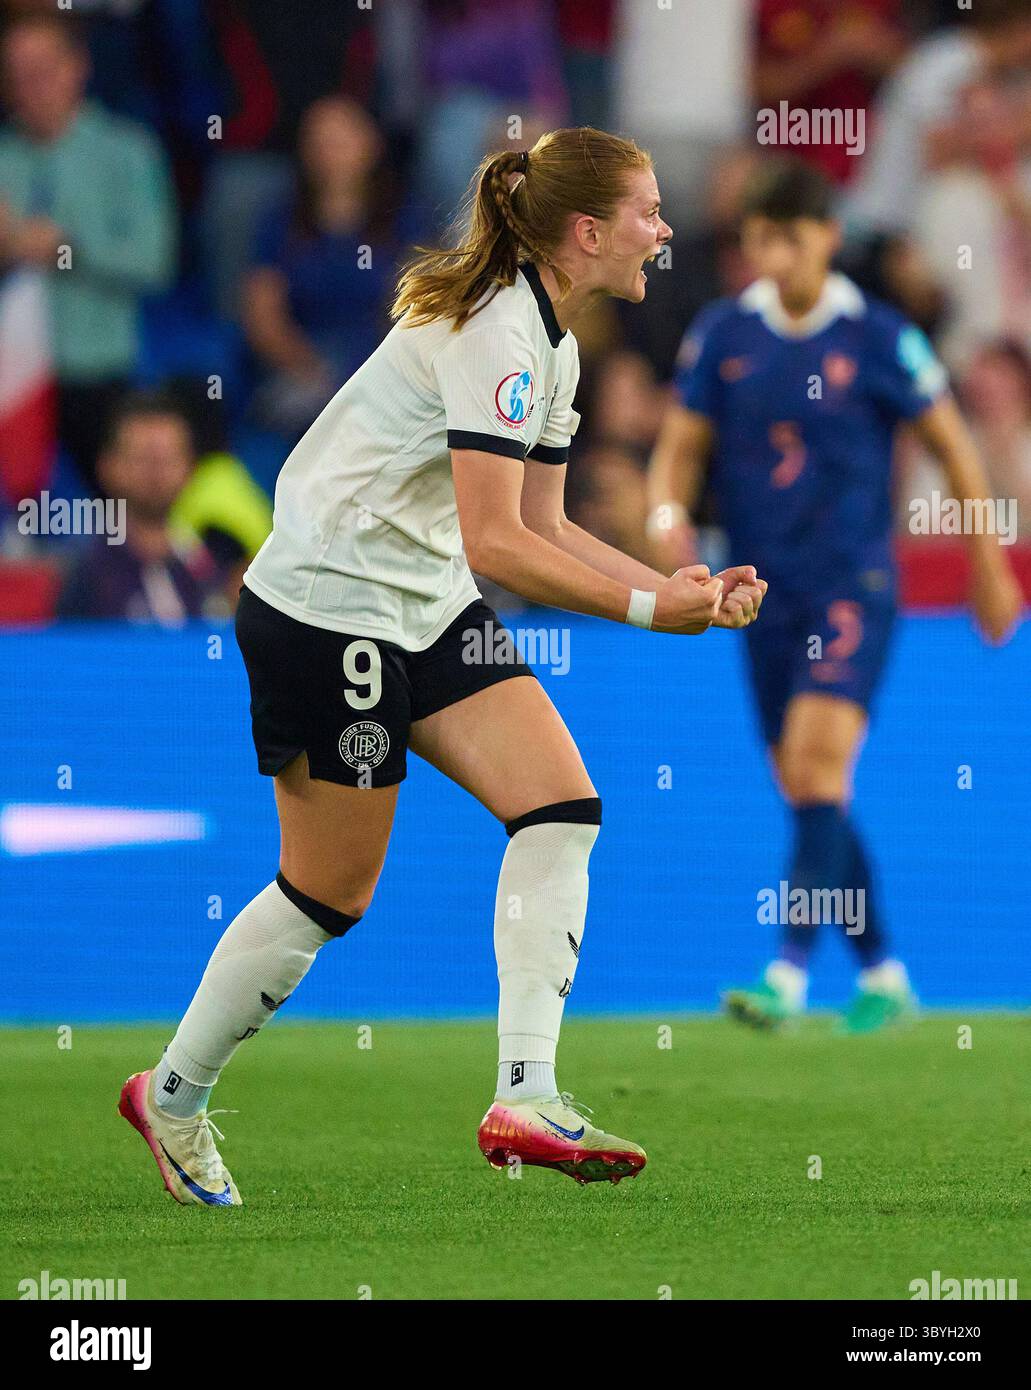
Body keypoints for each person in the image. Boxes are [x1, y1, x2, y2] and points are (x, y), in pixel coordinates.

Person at [118, 125, 767, 1204]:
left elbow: (544, 522)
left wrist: (674, 581)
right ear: (586, 230)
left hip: (422, 602)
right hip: (328, 609)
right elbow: (497, 543)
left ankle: (525, 1090)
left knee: (560, 805)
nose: (663, 232)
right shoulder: (497, 332)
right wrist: (652, 611)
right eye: (647, 213)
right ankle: (172, 1097)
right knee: (329, 894)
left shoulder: (554, 343)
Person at [647, 158, 1022, 1034]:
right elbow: (675, 456)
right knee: (809, 785)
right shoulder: (722, 336)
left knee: (816, 768)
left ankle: (785, 973)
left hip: (852, 582)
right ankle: (885, 973)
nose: (770, 253)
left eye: (787, 234)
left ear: (823, 238)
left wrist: (988, 562)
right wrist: (666, 525)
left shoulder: (879, 336)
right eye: (756, 237)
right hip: (753, 591)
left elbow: (956, 448)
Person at [0, 14, 175, 493]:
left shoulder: (127, 152)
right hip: (8, 376)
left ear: (78, 66)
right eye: (17, 75)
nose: (31, 87)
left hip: (98, 369)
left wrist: (67, 249)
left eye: (44, 70)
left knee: (114, 518)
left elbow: (153, 263)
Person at [57, 391, 225, 624]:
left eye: (168, 459)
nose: (156, 472)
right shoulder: (84, 569)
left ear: (191, 467)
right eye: (142, 458)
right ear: (107, 467)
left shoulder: (212, 562)